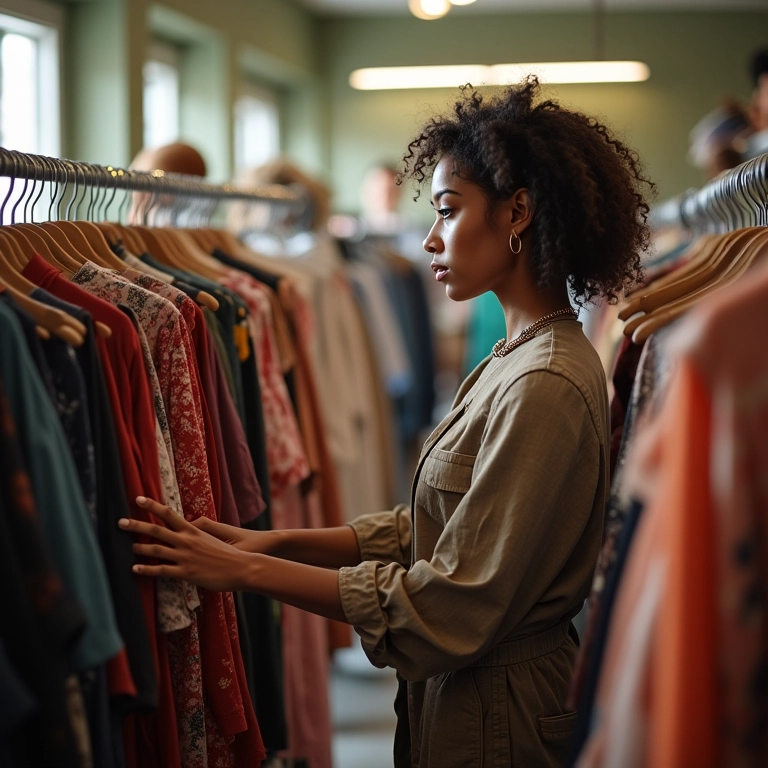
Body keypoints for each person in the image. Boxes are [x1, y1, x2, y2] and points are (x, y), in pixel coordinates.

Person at [119, 77, 654, 767]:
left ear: (517, 213)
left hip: (499, 718)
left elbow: (452, 606)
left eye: (448, 211)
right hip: (471, 698)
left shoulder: (544, 381)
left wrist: (244, 572)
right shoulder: (516, 355)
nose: (430, 238)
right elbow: (433, 528)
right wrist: (276, 543)